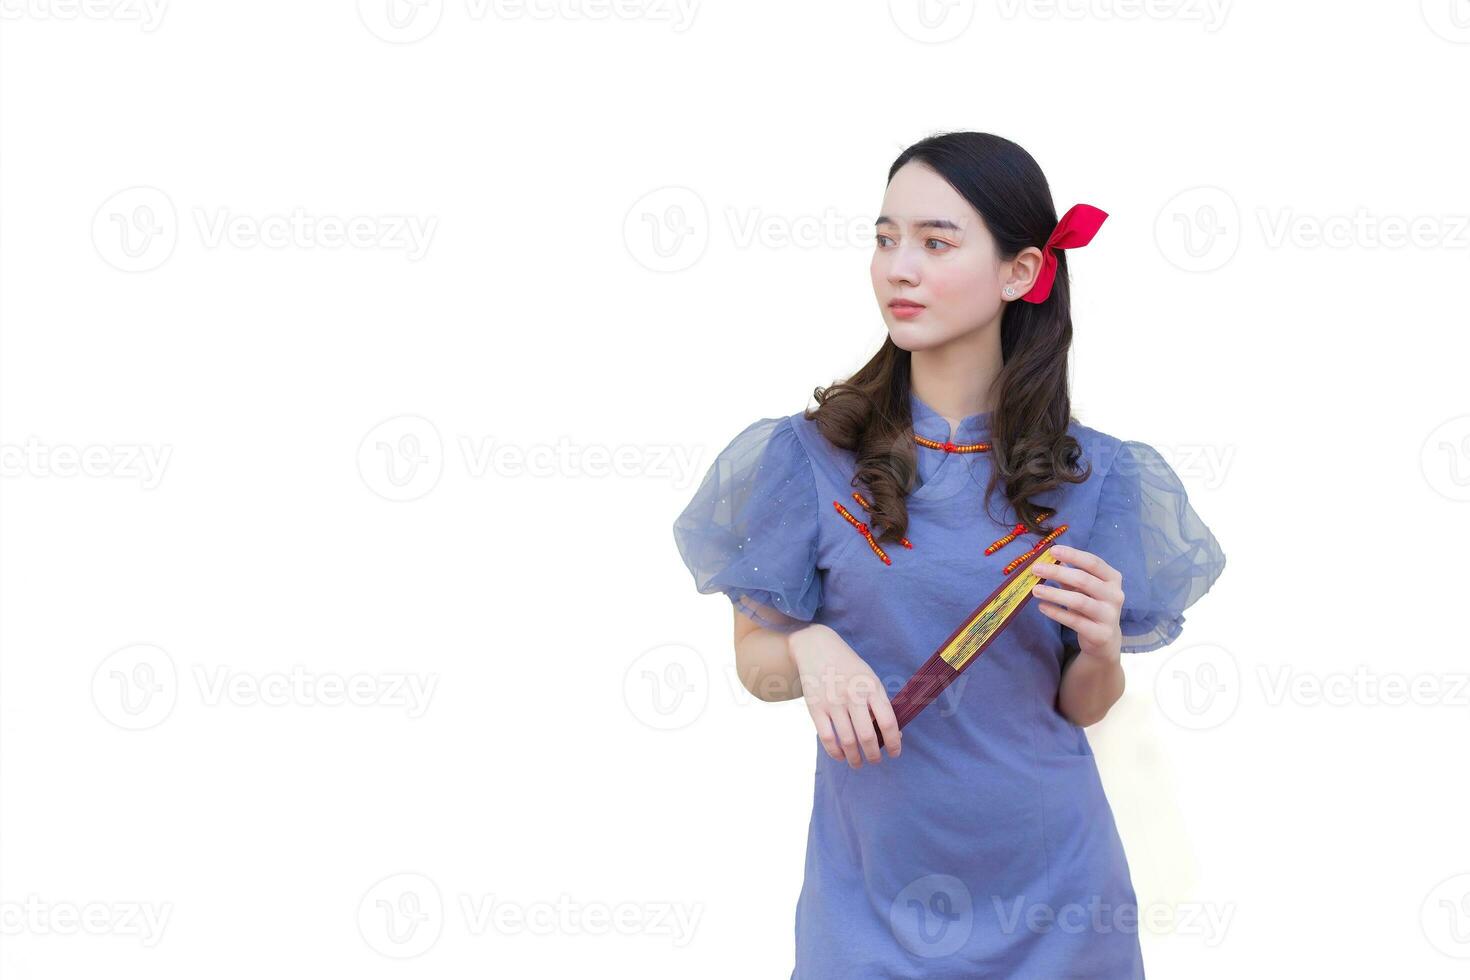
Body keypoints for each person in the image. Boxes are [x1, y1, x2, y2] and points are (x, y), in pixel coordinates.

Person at [671, 131, 1226, 978]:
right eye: (885, 237)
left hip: (1063, 903)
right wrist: (809, 647)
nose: (898, 267)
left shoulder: (1100, 476)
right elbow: (758, 667)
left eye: (936, 242)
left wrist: (1104, 648)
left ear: (1020, 272)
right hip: (867, 908)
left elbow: (1082, 706)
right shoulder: (804, 459)